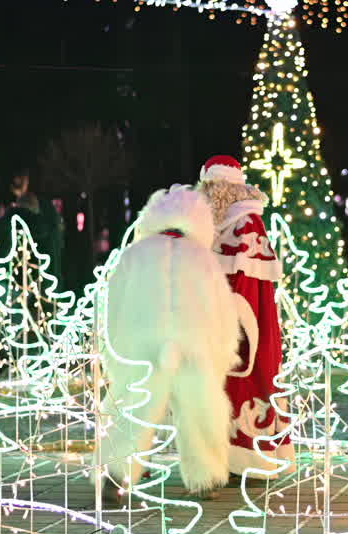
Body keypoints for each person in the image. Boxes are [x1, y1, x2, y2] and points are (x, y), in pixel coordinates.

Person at [99, 185, 242, 497]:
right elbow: (223, 312)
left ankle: (115, 472)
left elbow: (113, 307)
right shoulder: (203, 258)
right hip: (194, 344)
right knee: (199, 407)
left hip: (141, 344)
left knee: (132, 405)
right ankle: (207, 478)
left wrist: (114, 354)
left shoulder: (133, 255)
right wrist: (223, 352)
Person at [195, 155, 292, 477]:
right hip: (215, 319)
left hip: (241, 323)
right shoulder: (214, 222)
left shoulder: (245, 222)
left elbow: (246, 284)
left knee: (247, 383)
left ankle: (249, 461)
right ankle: (219, 458)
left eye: (210, 187)